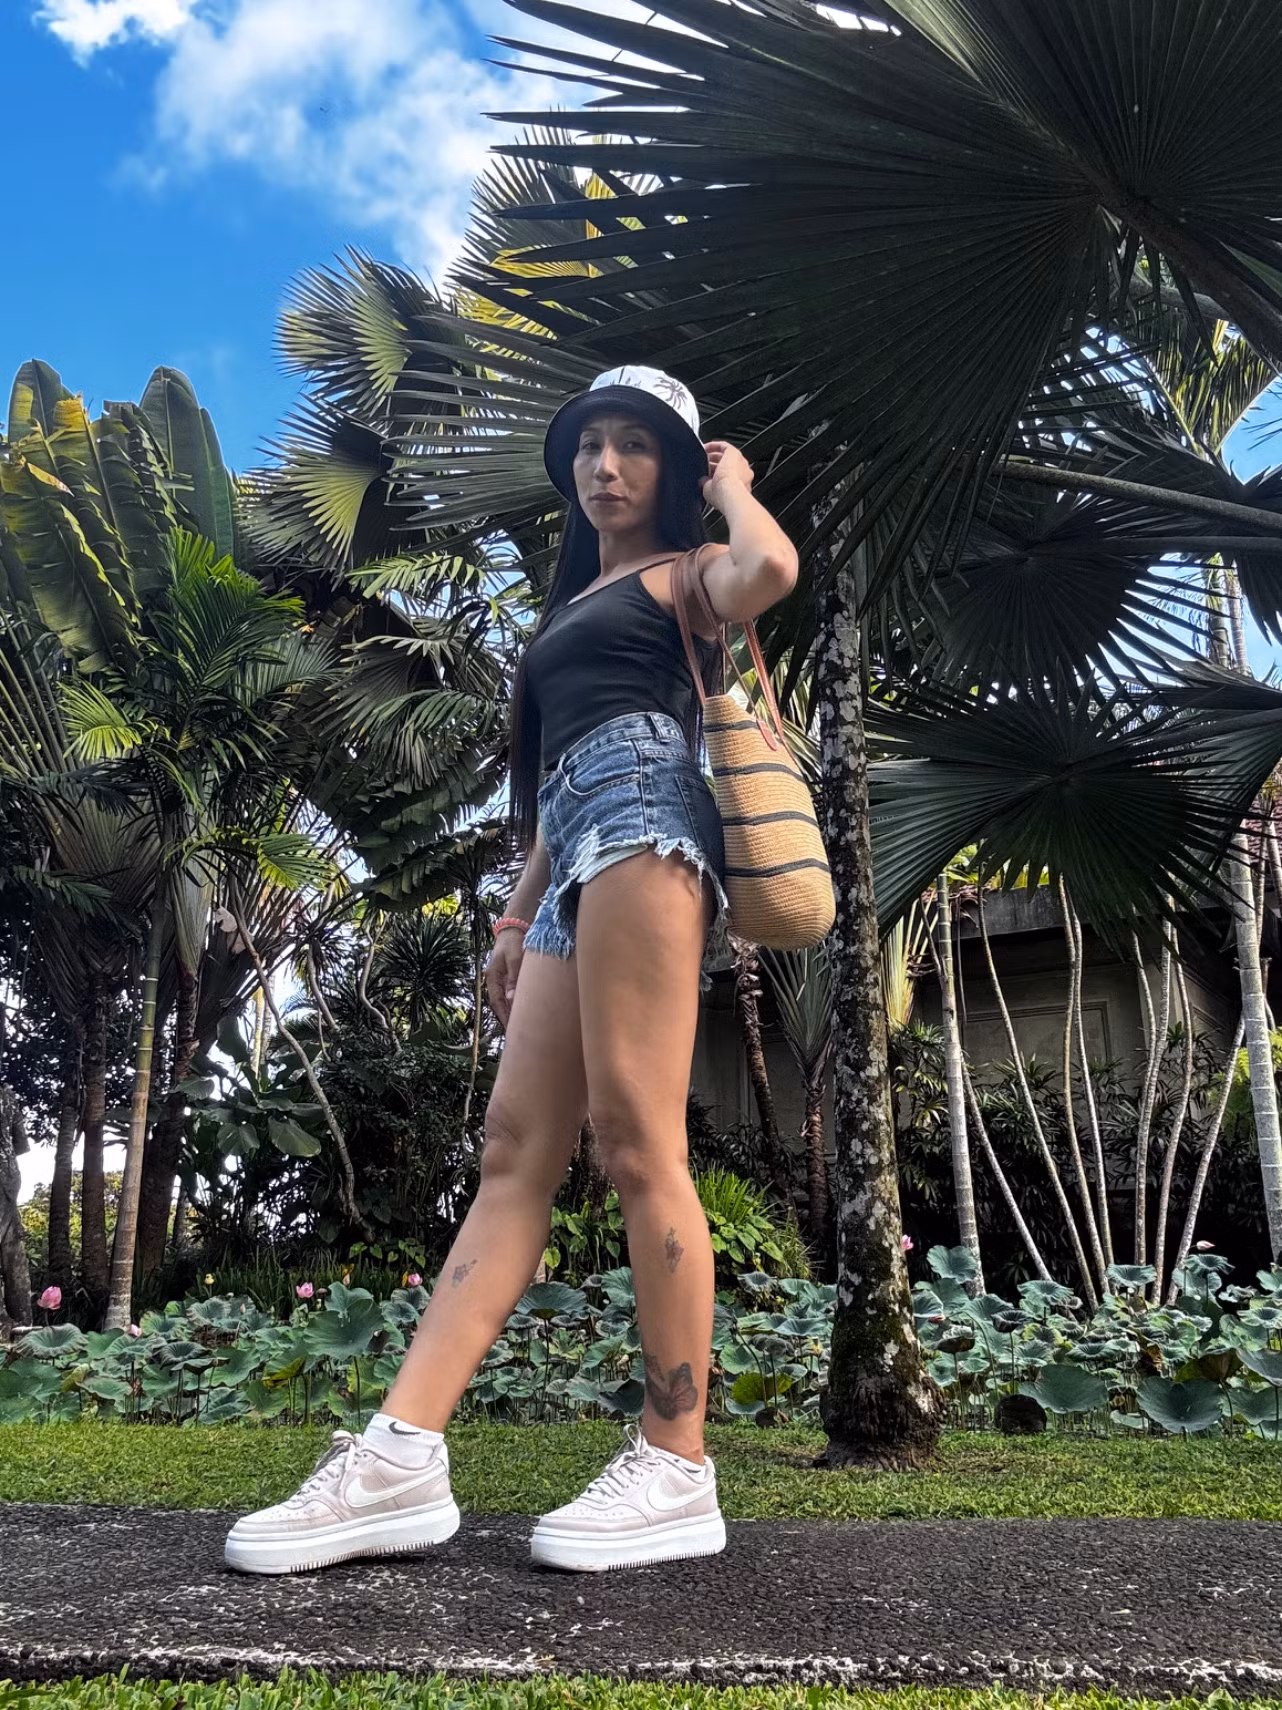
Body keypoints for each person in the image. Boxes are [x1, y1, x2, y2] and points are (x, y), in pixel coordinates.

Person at [225, 365, 799, 1577]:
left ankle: (677, 1461)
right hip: (575, 845)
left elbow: (770, 572)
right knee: (510, 1152)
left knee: (635, 1142)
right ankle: (400, 1456)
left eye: (634, 445)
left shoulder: (685, 574)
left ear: (674, 467)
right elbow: (551, 787)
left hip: (647, 819)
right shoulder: (572, 604)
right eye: (589, 445)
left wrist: (733, 485)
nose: (605, 465)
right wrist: (513, 916)